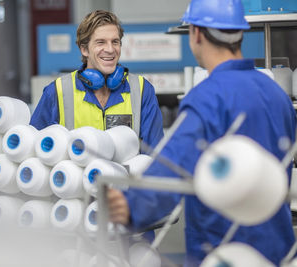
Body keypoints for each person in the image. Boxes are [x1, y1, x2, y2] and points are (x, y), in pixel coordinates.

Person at [107, 0, 296, 266]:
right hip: (279, 251)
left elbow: (172, 171)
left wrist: (129, 207)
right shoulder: (276, 94)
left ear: (195, 33)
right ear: (239, 33)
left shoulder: (209, 97)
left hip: (224, 252)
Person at [30, 10, 164, 149]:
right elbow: (37, 150)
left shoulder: (142, 90)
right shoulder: (57, 92)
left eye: (115, 42)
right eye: (101, 42)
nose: (110, 49)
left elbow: (155, 154)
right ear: (84, 49)